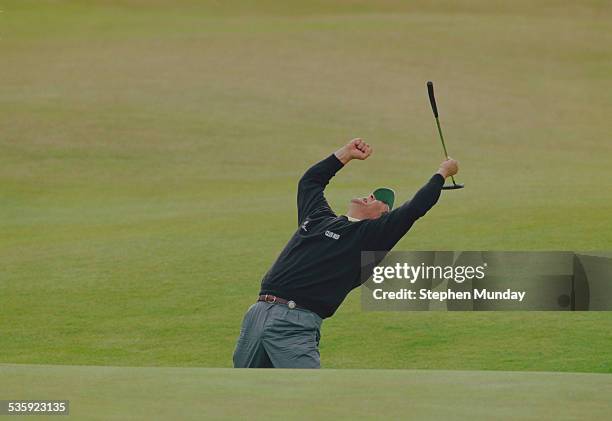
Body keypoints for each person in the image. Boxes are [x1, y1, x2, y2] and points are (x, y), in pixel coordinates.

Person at [233, 138, 459, 368]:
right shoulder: (318, 217)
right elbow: (310, 182)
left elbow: (414, 209)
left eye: (381, 201)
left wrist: (442, 173)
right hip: (256, 315)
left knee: (307, 395)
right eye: (374, 193)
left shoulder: (369, 237)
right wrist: (345, 154)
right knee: (242, 394)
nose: (372, 196)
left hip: (295, 322)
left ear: (383, 216)